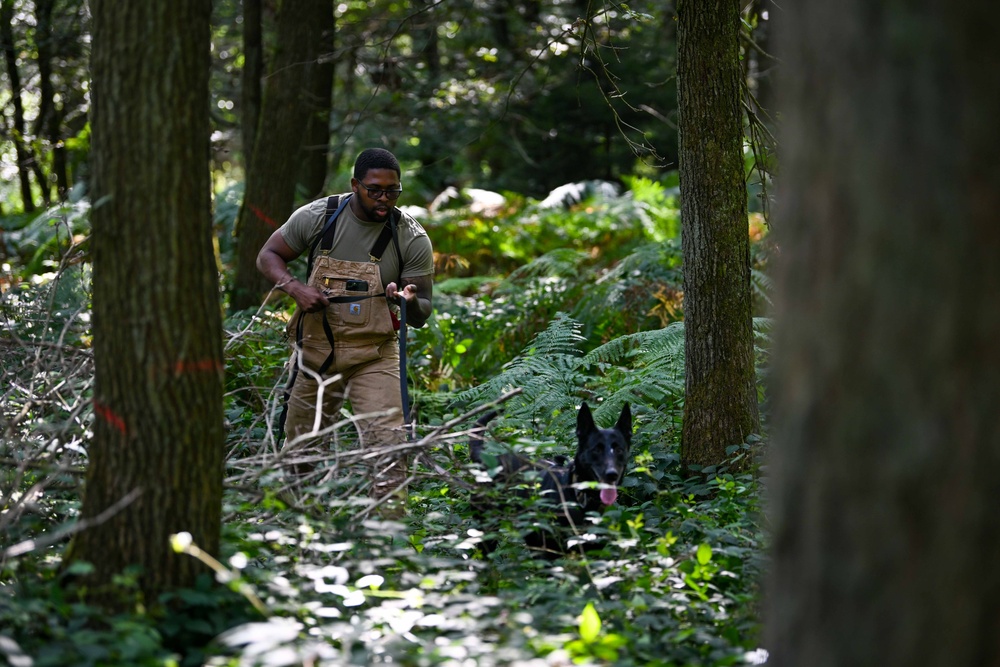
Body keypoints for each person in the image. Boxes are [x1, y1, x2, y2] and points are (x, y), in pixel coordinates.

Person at [256, 148, 434, 513]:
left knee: (389, 446)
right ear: (355, 184)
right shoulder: (319, 216)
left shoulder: (410, 236)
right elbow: (268, 256)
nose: (384, 199)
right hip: (316, 350)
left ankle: (387, 536)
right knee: (300, 448)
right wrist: (295, 288)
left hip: (374, 354)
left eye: (393, 191)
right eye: (375, 190)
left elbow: (422, 313)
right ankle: (298, 530)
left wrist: (407, 299)